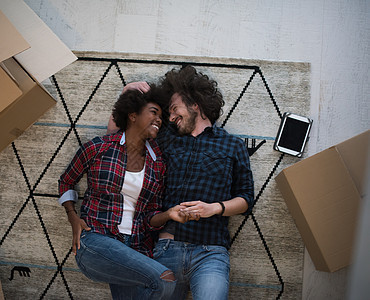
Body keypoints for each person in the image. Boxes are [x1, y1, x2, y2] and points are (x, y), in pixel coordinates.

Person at [110, 66, 255, 299]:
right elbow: (116, 137)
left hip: (211, 251)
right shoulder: (166, 138)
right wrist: (127, 93)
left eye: (174, 108)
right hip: (167, 250)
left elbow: (246, 198)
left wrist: (214, 208)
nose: (170, 117)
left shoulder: (232, 145)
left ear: (195, 104)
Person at [58, 86, 196, 300]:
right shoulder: (100, 147)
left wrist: (169, 214)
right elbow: (66, 181)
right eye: (153, 112)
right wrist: (72, 217)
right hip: (96, 240)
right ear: (132, 115)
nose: (159, 119)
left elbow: (150, 216)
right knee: (164, 278)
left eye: (161, 115)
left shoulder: (157, 163)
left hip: (135, 248)